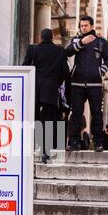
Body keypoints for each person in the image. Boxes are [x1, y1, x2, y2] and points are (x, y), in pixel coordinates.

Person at [65, 16, 108, 152]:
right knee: (76, 114)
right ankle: (74, 141)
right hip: (77, 83)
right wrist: (81, 42)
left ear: (92, 26)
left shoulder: (101, 42)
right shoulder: (76, 40)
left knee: (97, 114)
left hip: (95, 84)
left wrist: (101, 71)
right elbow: (67, 52)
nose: (83, 28)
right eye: (81, 26)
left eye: (86, 26)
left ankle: (98, 142)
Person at [23, 28, 70, 163]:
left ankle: (31, 148)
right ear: (53, 37)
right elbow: (65, 73)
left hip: (35, 90)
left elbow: (25, 67)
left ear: (40, 37)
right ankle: (45, 152)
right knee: (49, 120)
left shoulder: (33, 49)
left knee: (35, 118)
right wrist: (56, 82)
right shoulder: (60, 51)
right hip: (50, 91)